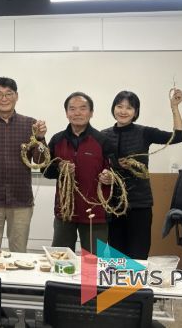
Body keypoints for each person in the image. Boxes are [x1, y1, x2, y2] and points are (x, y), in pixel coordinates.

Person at [102, 89, 182, 259]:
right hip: (114, 205)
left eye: (129, 108)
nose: (123, 111)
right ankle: (120, 278)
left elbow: (178, 137)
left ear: (136, 112)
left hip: (139, 204)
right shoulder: (103, 136)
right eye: (119, 106)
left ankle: (137, 278)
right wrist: (105, 174)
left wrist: (174, 107)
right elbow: (99, 165)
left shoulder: (144, 132)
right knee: (117, 256)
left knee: (138, 255)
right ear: (113, 108)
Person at [0, 77, 47, 252]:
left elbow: (40, 160)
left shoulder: (30, 124)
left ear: (16, 96)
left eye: (8, 94)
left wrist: (40, 138)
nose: (4, 98)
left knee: (19, 253)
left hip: (21, 200)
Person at [43, 92, 115, 254]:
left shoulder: (102, 141)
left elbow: (115, 172)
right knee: (60, 259)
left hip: (95, 213)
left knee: (93, 262)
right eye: (72, 109)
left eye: (83, 108)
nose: (77, 113)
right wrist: (60, 169)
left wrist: (110, 178)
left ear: (91, 113)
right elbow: (45, 170)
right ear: (66, 113)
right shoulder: (57, 140)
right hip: (65, 212)